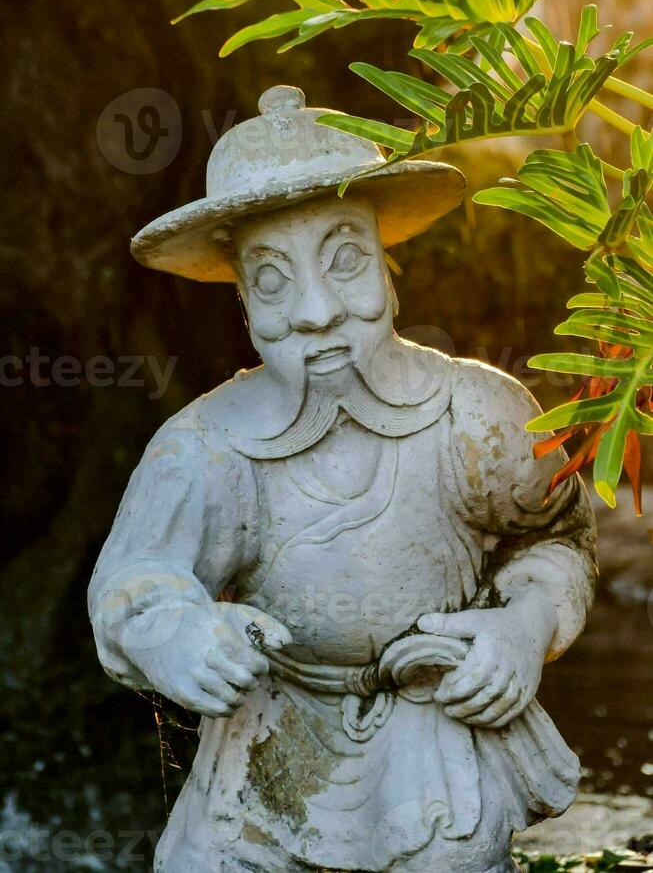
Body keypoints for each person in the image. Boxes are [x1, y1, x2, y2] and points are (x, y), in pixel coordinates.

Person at [89, 85, 596, 873]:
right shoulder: (206, 448)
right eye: (273, 279)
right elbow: (136, 578)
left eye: (345, 261)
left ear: (390, 272)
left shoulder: (477, 414)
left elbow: (558, 535)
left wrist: (523, 627)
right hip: (267, 726)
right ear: (243, 304)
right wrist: (174, 632)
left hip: (435, 717)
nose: (317, 310)